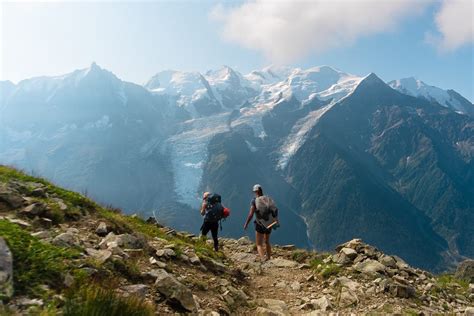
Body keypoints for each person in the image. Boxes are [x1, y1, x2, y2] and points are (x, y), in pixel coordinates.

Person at [243, 184, 278, 262]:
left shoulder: (254, 201)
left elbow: (251, 214)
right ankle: (269, 258)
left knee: (259, 244)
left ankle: (263, 260)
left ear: (256, 191)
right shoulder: (268, 199)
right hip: (269, 223)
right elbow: (274, 210)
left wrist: (246, 223)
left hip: (260, 224)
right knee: (267, 241)